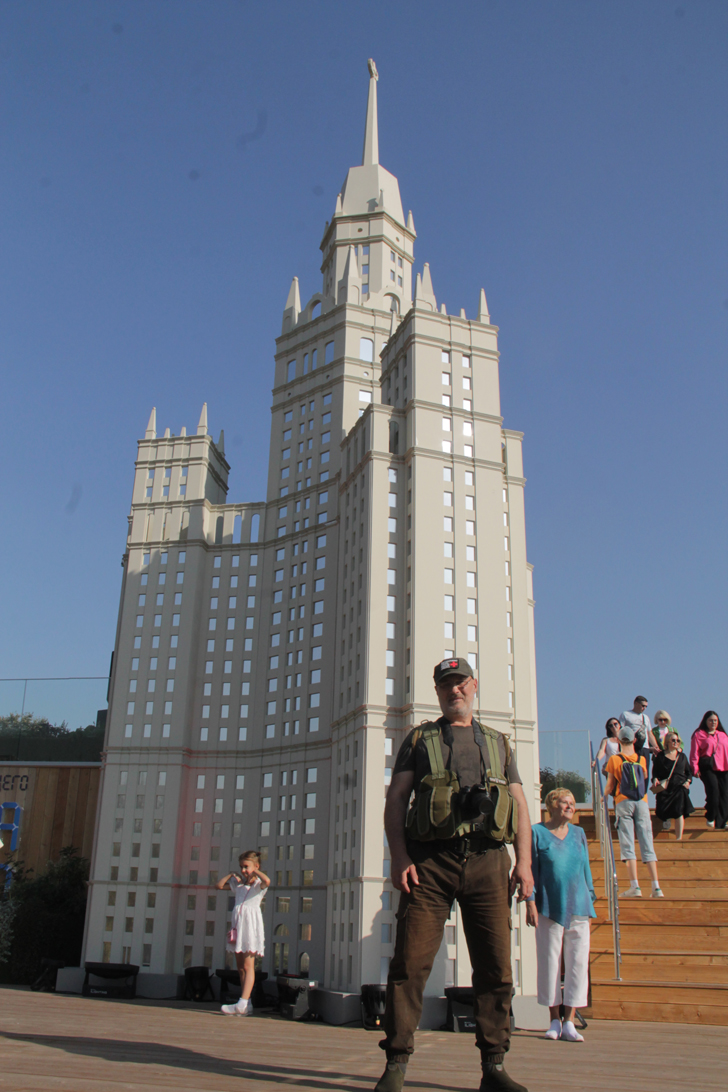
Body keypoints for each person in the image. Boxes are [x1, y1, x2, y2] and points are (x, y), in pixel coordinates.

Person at [375, 657, 533, 1092]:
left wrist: (525, 864)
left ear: (474, 685)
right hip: (430, 863)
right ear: (438, 691)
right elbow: (396, 800)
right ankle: (396, 1063)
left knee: (496, 966)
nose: (454, 690)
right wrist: (399, 857)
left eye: (460, 682)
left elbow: (519, 805)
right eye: (446, 685)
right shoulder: (419, 739)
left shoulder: (499, 742)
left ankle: (494, 1066)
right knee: (410, 963)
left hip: (488, 862)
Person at [526, 788, 595, 1043]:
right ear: (551, 805)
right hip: (548, 905)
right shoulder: (537, 832)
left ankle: (570, 1021)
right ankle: (553, 1019)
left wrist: (591, 894)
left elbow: (585, 866)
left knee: (577, 963)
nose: (570, 807)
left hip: (579, 905)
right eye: (565, 802)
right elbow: (530, 869)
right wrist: (530, 902)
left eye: (573, 803)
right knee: (549, 962)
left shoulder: (579, 833)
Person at [604, 726, 663, 898]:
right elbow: (643, 780)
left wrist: (603, 797)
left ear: (619, 741)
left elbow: (610, 784)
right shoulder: (641, 759)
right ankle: (656, 887)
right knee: (647, 842)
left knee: (628, 843)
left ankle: (634, 886)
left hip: (623, 802)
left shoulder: (614, 760)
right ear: (634, 740)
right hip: (642, 802)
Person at [216, 850, 270, 1016]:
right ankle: (246, 1002)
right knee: (240, 967)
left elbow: (267, 880)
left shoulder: (258, 885)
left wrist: (255, 872)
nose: (244, 870)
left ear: (255, 866)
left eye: (246, 867)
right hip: (238, 927)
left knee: (248, 966)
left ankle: (243, 1002)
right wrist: (231, 874)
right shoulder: (239, 886)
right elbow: (219, 886)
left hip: (250, 927)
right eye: (241, 867)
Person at [689, 711, 728, 830]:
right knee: (714, 791)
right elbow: (694, 753)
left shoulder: (722, 735)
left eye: (715, 720)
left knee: (725, 795)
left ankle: (722, 823)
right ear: (705, 721)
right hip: (707, 767)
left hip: (724, 767)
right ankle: (710, 815)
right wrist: (694, 768)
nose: (713, 723)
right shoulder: (699, 734)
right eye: (711, 720)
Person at [651, 731, 693, 839]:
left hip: (679, 786)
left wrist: (687, 782)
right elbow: (655, 772)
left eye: (677, 740)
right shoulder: (660, 756)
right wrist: (655, 779)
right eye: (673, 740)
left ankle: (679, 838)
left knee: (679, 811)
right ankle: (666, 818)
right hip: (665, 787)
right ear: (668, 741)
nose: (675, 742)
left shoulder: (682, 756)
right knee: (663, 807)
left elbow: (688, 772)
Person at [619, 696, 659, 785]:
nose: (644, 708)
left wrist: (656, 747)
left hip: (644, 748)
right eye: (642, 705)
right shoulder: (625, 714)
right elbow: (620, 730)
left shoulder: (646, 717)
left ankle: (642, 794)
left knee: (644, 772)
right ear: (636, 704)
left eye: (646, 706)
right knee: (631, 771)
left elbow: (649, 733)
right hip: (631, 747)